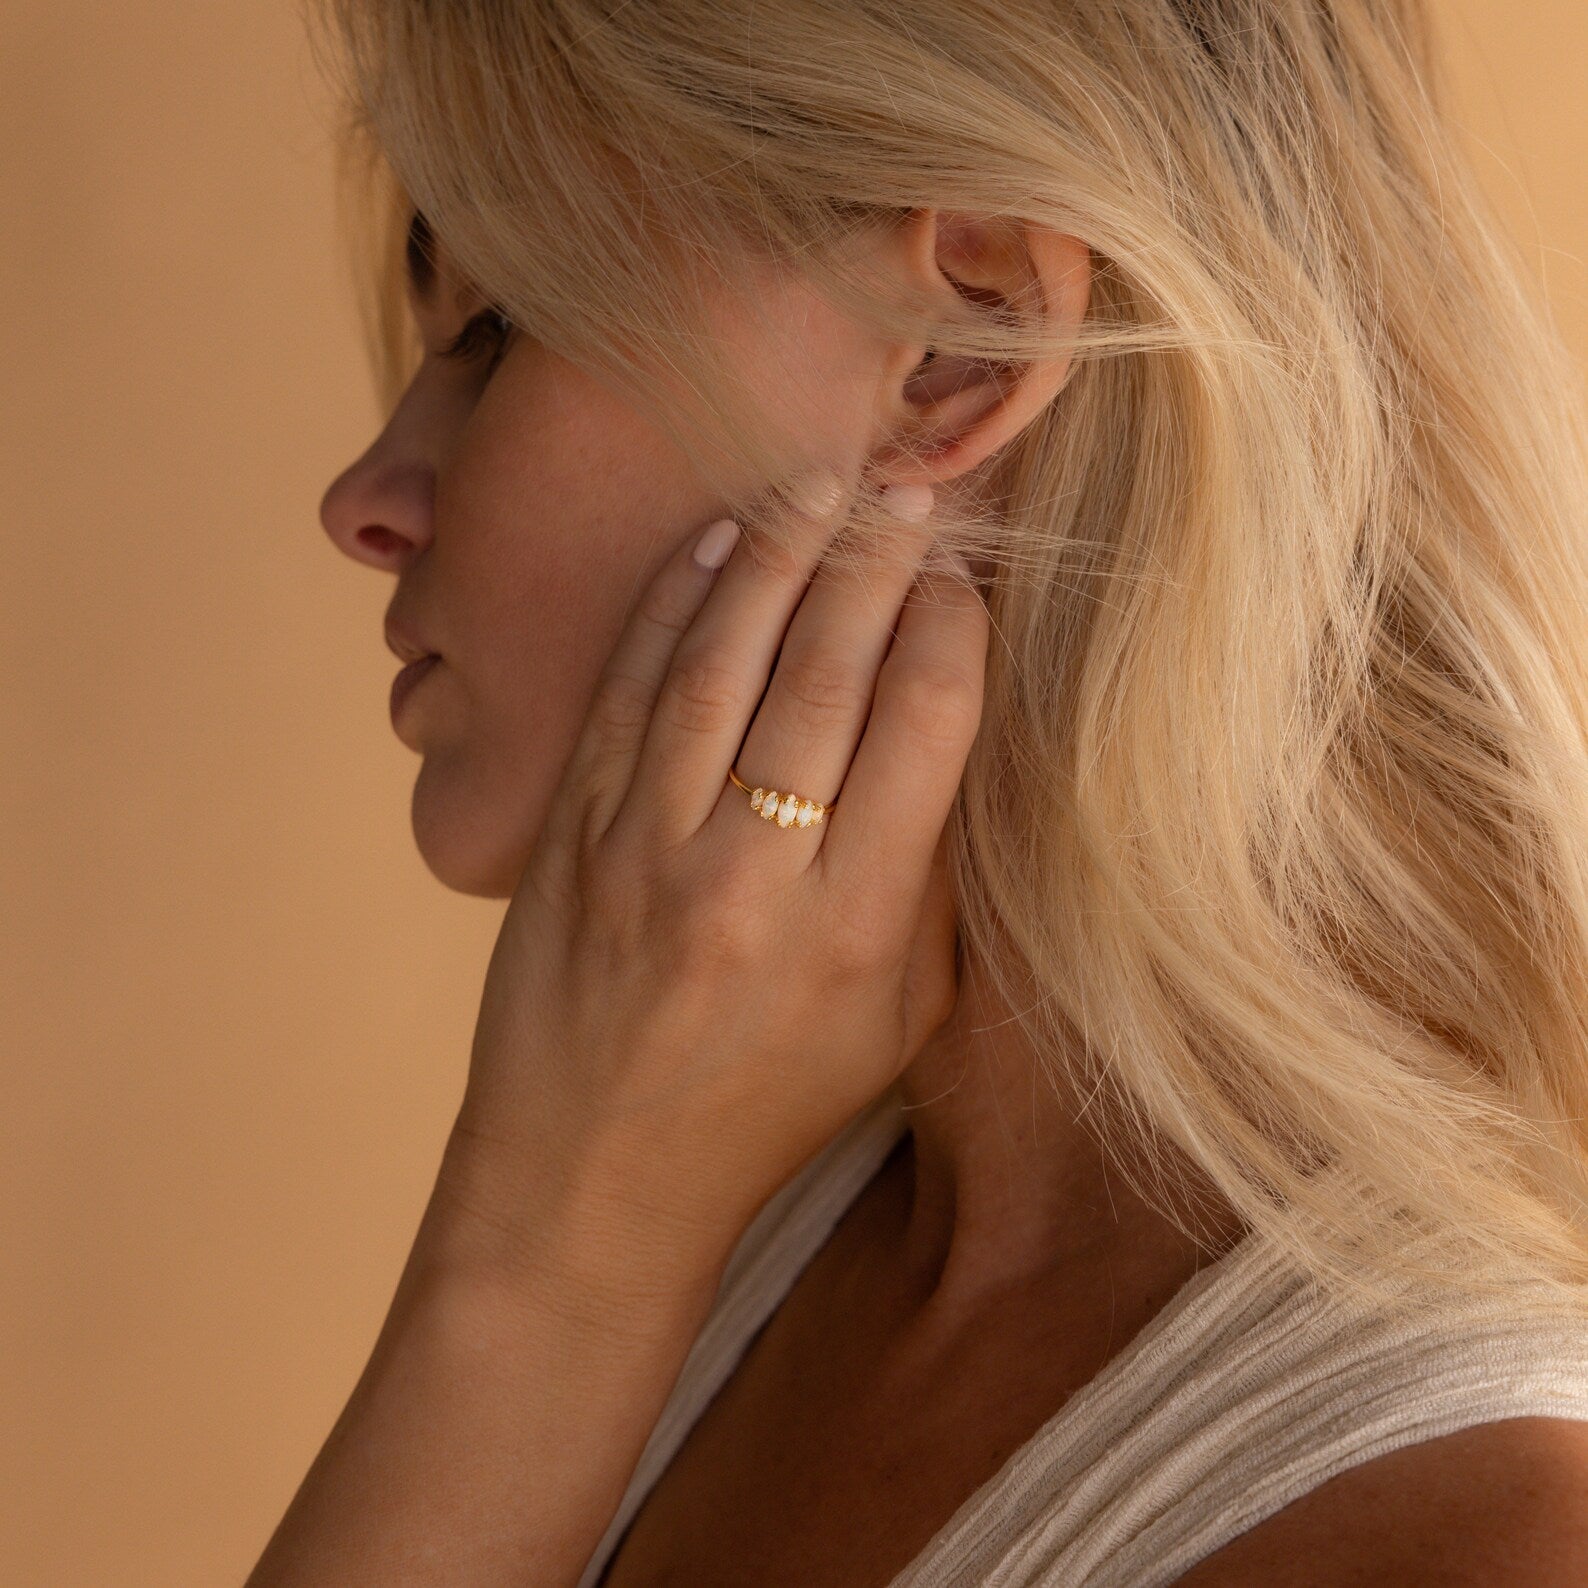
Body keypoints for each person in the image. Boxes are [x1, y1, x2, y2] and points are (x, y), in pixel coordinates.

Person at [254, 1, 1588, 1581]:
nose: (365, 499)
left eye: (494, 330)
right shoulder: (720, 1183)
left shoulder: (1482, 1535)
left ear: (969, 345)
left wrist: (546, 1262)